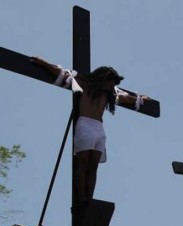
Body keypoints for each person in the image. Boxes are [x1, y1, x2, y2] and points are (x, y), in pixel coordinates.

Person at [30, 56, 150, 203]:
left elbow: (128, 99)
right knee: (83, 163)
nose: (112, 87)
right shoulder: (84, 84)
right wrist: (43, 63)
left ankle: (89, 198)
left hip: (99, 129)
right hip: (85, 124)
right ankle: (82, 197)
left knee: (93, 167)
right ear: (103, 78)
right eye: (111, 83)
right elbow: (61, 73)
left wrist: (141, 99)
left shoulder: (110, 94)